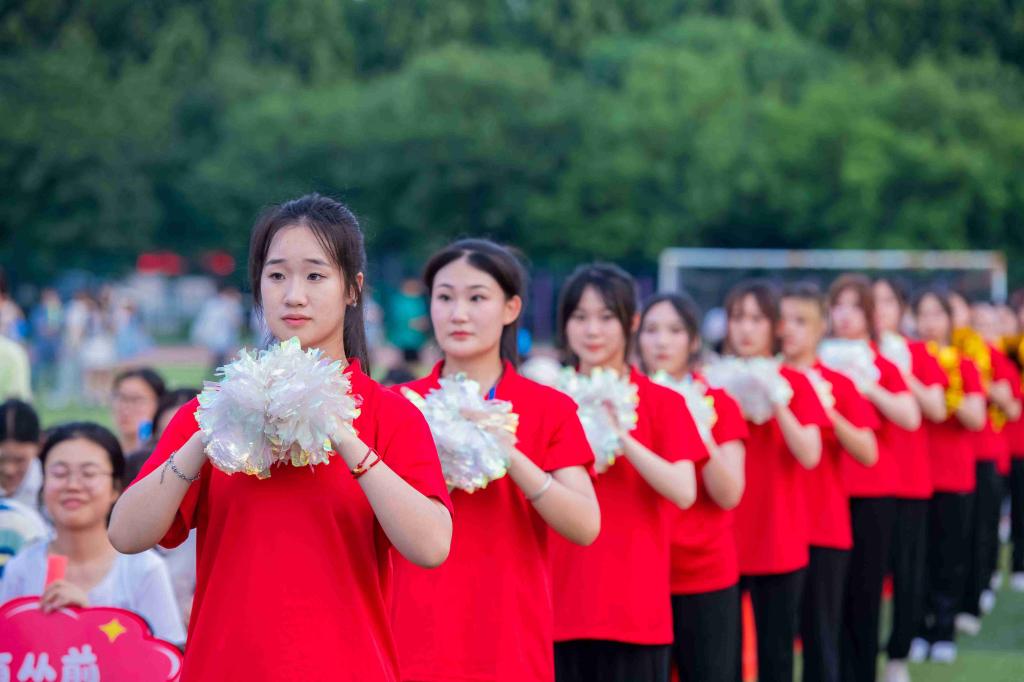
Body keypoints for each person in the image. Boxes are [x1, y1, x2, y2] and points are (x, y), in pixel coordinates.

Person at [108, 193, 454, 681]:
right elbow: (126, 534)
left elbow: (432, 546)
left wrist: (341, 432)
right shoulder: (211, 412)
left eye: (315, 276)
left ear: (352, 289)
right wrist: (213, 429)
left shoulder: (390, 415)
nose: (293, 295)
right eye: (276, 276)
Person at [390, 239, 599, 682]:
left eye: (477, 298)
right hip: (408, 638)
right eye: (445, 297)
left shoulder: (548, 408)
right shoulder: (396, 405)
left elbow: (585, 525)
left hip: (509, 642)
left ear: (510, 308)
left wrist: (509, 454)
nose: (458, 314)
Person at [550, 264, 704, 682]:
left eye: (606, 317)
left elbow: (684, 490)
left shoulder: (663, 402)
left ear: (631, 322)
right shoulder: (547, 402)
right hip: (557, 607)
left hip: (634, 610)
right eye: (579, 317)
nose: (592, 331)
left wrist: (622, 437)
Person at [637, 292, 747, 682]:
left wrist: (695, 427)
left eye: (674, 330)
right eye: (651, 330)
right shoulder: (621, 405)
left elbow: (729, 493)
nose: (662, 341)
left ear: (694, 340)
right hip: (638, 576)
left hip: (703, 572)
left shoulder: (718, 403)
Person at [724, 281, 829, 682]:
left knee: (777, 653)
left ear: (775, 326)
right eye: (738, 318)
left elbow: (810, 453)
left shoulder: (794, 383)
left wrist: (776, 399)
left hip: (777, 536)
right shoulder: (711, 382)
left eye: (757, 319)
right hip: (724, 538)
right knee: (722, 656)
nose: (746, 329)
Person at [0, 422, 186, 646]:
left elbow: (168, 655)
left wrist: (91, 624)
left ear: (115, 488)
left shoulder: (143, 569)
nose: (72, 485)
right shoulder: (21, 569)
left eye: (88, 473)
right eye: (59, 473)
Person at [779, 283, 879, 682]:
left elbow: (868, 452)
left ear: (822, 327)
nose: (789, 329)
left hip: (822, 526)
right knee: (771, 641)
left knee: (821, 638)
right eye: (783, 320)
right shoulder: (760, 380)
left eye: (801, 321)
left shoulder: (837, 384)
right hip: (772, 529)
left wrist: (827, 414)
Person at [828, 274, 921, 682]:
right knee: (828, 597)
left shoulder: (879, 364)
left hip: (872, 490)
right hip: (827, 493)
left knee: (865, 593)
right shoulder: (818, 363)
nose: (846, 315)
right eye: (838, 306)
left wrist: (868, 386)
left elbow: (910, 415)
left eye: (856, 307)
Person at [872, 277, 949, 682]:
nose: (879, 309)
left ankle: (898, 653)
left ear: (902, 309)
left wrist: (903, 374)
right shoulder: (850, 354)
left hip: (908, 481)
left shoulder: (916, 353)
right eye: (872, 301)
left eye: (888, 301)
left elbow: (936, 407)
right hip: (864, 483)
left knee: (907, 572)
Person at [909, 289, 986, 664]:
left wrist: (947, 395)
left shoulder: (964, 364)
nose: (929, 323)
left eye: (936, 314)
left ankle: (943, 629)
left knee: (949, 557)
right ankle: (917, 628)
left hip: (953, 474)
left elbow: (977, 417)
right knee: (915, 559)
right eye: (922, 314)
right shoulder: (905, 360)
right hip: (914, 475)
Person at [0, 399, 44, 514]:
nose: (9, 470)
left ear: (40, 446)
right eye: (1, 460)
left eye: (20, 460)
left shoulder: (49, 488)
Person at [110, 367, 166, 455]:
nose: (125, 408)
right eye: (121, 398)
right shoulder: (104, 452)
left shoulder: (168, 455)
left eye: (136, 399)